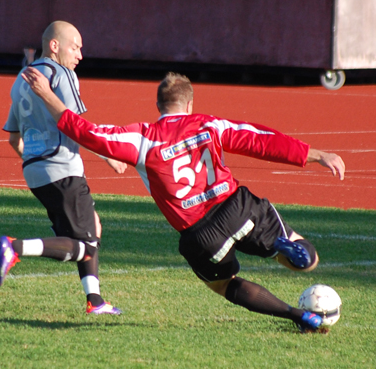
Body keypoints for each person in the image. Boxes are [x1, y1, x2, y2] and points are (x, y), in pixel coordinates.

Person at [18, 68, 346, 332]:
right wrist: (317, 155)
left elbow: (84, 131)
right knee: (305, 256)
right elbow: (259, 140)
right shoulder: (208, 124)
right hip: (237, 207)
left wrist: (47, 93)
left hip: (200, 235)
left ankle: (297, 315)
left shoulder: (143, 138)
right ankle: (287, 249)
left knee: (225, 285)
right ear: (189, 104)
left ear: (159, 106)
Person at [0, 20, 126, 315]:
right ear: (54, 46)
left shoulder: (22, 78)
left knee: (91, 227)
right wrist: (108, 154)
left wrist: (36, 159)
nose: (80, 55)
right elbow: (74, 124)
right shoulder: (61, 73)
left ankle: (95, 300)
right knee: (86, 245)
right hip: (62, 168)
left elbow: (13, 138)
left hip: (34, 171)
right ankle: (14, 247)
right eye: (75, 47)